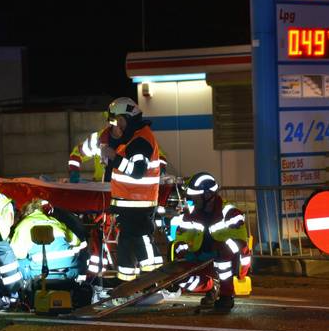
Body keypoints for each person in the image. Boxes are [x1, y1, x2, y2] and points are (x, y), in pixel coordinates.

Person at [101, 97, 164, 282]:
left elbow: (137, 172)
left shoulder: (141, 140)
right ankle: (128, 284)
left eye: (117, 121)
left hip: (138, 204)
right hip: (131, 204)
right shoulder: (134, 139)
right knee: (127, 244)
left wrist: (115, 157)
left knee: (140, 241)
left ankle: (153, 280)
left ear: (126, 118)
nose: (116, 126)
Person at [171, 172, 251, 312]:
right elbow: (180, 238)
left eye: (195, 197)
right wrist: (181, 249)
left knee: (223, 255)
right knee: (178, 278)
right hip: (201, 260)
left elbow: (240, 243)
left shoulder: (230, 214)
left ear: (207, 195)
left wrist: (220, 247)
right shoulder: (191, 215)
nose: (192, 201)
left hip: (227, 262)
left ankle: (226, 296)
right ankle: (211, 286)